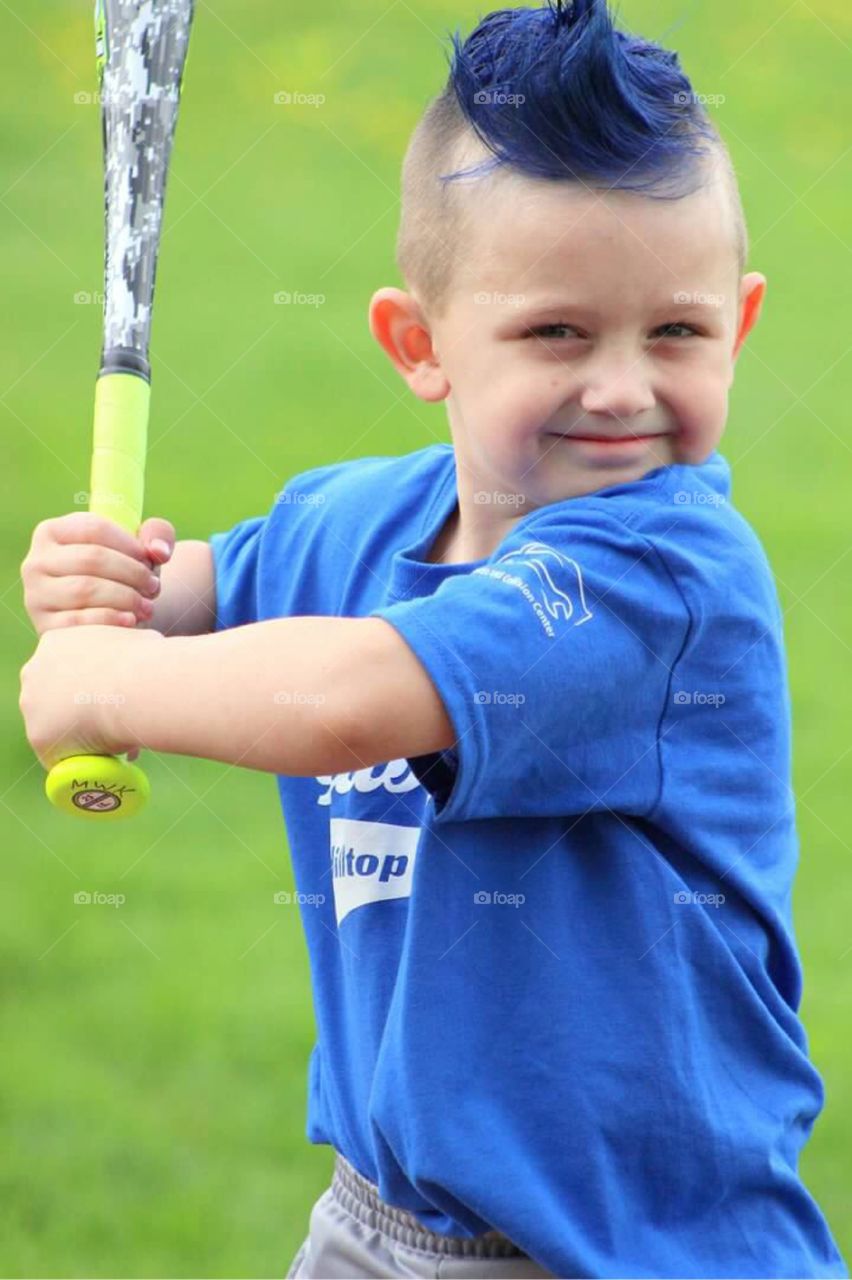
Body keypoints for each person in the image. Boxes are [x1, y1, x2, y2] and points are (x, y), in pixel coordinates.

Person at [19, 0, 848, 1275]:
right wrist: (103, 582)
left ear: (735, 325)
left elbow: (352, 698)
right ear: (421, 344)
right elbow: (199, 587)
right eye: (559, 331)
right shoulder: (357, 521)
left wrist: (112, 685)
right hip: (375, 1218)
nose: (623, 386)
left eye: (674, 331)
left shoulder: (665, 576)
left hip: (639, 1245)